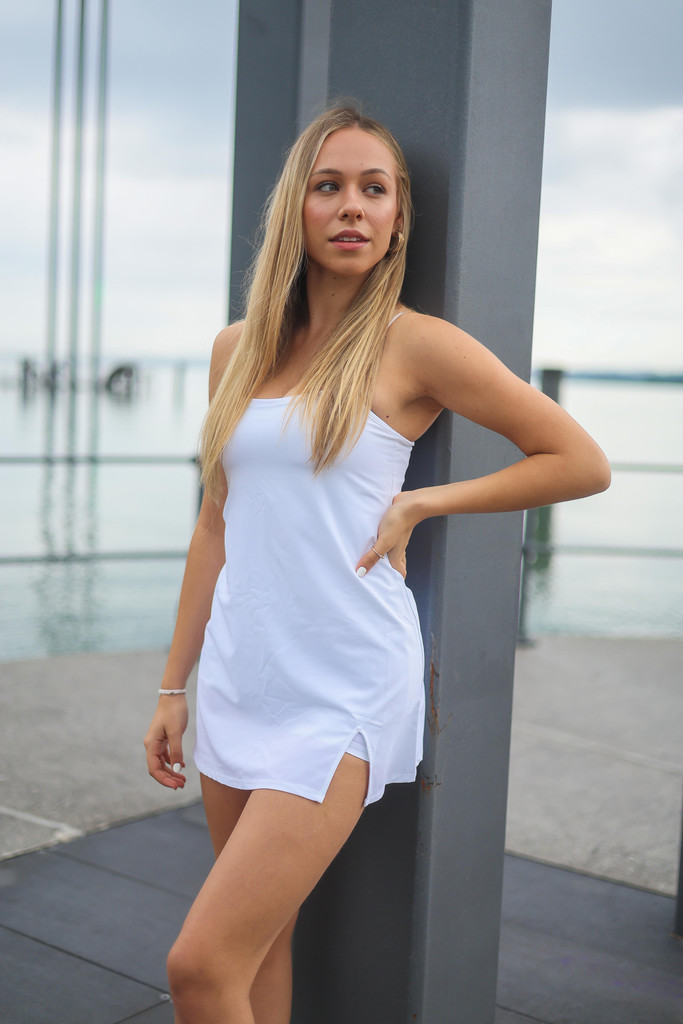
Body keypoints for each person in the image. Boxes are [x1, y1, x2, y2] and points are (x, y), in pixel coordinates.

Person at [143, 105, 610, 1024]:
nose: (352, 206)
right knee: (256, 952)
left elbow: (580, 462)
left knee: (197, 969)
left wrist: (423, 503)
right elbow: (214, 525)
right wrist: (172, 687)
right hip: (241, 675)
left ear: (397, 220)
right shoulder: (236, 349)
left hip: (343, 687)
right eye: (329, 187)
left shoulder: (413, 343)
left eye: (374, 189)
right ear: (297, 208)